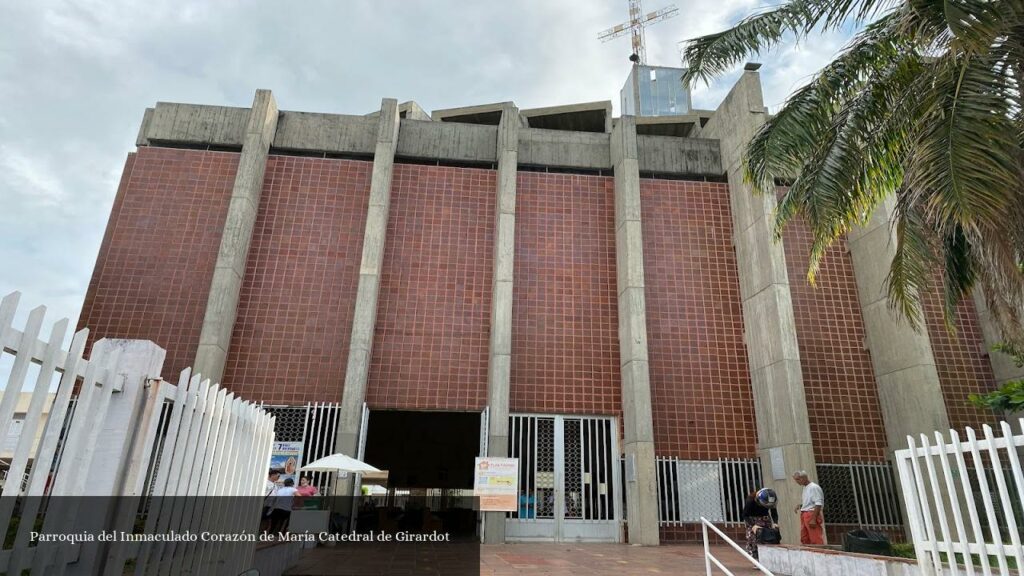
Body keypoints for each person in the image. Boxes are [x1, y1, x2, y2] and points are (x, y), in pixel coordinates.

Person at [742, 488, 779, 559]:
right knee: (754, 539)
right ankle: (755, 558)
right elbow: (745, 515)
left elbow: (774, 513)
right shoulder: (751, 500)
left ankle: (768, 557)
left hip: (765, 519)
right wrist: (753, 525)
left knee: (768, 537)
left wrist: (775, 522)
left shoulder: (772, 500)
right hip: (752, 520)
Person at [792, 470, 825, 545]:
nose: (797, 482)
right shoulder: (805, 487)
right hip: (805, 514)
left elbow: (818, 503)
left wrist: (813, 519)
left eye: (798, 479)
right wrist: (801, 505)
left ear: (804, 478)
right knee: (804, 538)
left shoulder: (814, 487)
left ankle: (819, 554)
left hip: (811, 514)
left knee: (815, 538)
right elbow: (810, 502)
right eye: (796, 480)